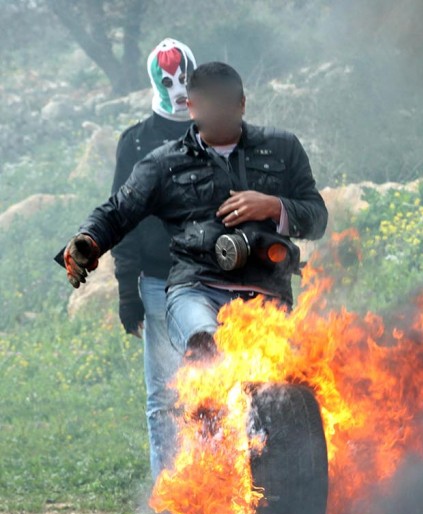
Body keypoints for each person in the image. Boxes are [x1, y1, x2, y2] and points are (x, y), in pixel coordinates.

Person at [60, 59, 328, 428]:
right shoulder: (164, 163)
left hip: (266, 290)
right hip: (196, 288)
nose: (218, 115)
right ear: (190, 106)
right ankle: (207, 453)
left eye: (226, 106)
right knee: (206, 344)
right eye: (208, 106)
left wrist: (273, 205)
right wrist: (87, 242)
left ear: (242, 104)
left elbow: (317, 217)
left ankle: (268, 464)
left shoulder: (282, 148)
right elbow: (118, 211)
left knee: (273, 390)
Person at [111, 38, 197, 486]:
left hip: (212, 281)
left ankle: (215, 492)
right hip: (158, 285)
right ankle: (172, 499)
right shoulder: (137, 141)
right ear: (156, 83)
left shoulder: (216, 131)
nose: (180, 88)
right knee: (165, 397)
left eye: (185, 76)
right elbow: (120, 217)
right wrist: (128, 291)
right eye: (170, 80)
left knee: (214, 390)